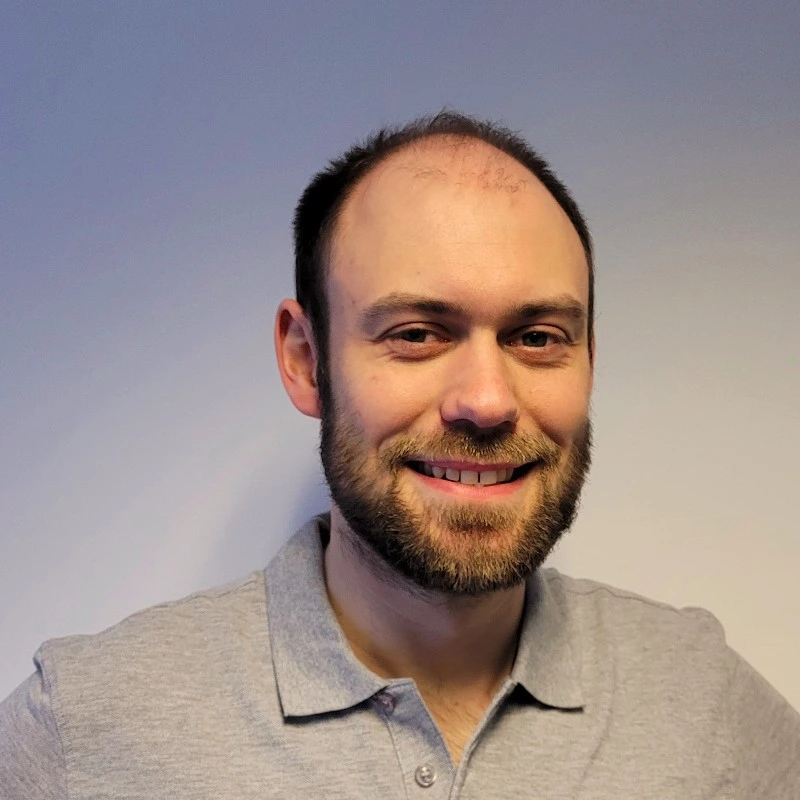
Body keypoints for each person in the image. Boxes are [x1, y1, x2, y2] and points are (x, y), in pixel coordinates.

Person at [1, 112, 798, 799]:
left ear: (589, 359)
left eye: (537, 337)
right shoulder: (89, 730)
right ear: (306, 359)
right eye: (417, 334)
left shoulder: (700, 704)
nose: (486, 400)